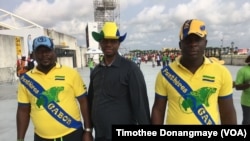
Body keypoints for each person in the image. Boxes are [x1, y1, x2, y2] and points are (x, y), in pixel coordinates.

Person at [151, 19, 237, 125]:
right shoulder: (165, 74)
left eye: (197, 39)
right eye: (188, 40)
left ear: (205, 43)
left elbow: (227, 113)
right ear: (180, 45)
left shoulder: (222, 72)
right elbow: (158, 110)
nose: (193, 44)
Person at [16, 36, 93, 141]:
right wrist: (20, 139)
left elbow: (84, 102)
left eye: (47, 51)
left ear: (54, 52)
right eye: (39, 52)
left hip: (73, 135)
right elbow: (22, 111)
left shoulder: (71, 73)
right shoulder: (26, 79)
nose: (44, 55)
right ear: (33, 54)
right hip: (41, 138)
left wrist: (88, 130)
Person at [89, 22, 151, 141]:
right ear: (100, 43)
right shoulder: (96, 70)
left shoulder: (131, 69)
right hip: (100, 134)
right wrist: (89, 129)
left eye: (113, 41)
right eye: (105, 41)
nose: (108, 44)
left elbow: (140, 105)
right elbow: (91, 100)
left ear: (118, 43)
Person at [234, 52, 250, 125]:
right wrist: (248, 84)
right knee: (247, 122)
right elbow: (237, 87)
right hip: (247, 103)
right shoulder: (243, 71)